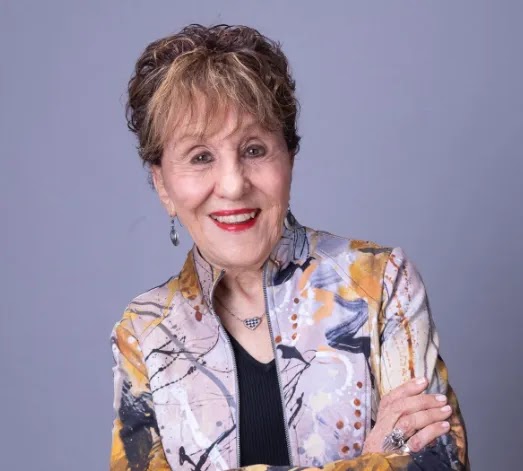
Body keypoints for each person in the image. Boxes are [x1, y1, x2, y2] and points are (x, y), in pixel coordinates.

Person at [110, 24, 468, 471]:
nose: (233, 184)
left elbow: (438, 463)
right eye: (201, 157)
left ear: (289, 158)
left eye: (254, 150)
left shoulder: (380, 283)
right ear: (163, 184)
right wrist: (373, 461)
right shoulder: (145, 331)